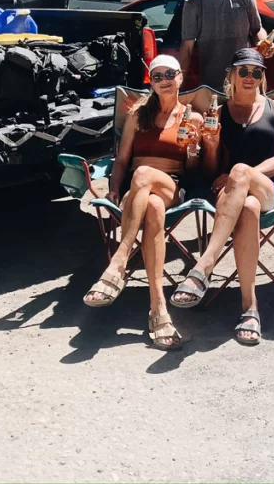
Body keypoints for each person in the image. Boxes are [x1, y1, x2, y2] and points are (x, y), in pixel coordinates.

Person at [169, 48, 274, 346]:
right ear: (232, 76)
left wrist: (245, 174)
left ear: (262, 78)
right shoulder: (219, 114)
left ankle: (204, 266)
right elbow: (212, 170)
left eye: (257, 72)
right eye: (244, 71)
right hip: (231, 198)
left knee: (241, 174)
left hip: (270, 189)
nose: (250, 77)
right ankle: (250, 308)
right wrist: (210, 146)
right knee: (247, 208)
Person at [82, 54, 203, 350]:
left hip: (171, 185)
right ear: (151, 82)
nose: (163, 81)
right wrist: (112, 188)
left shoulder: (193, 118)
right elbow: (122, 160)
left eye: (169, 74)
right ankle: (158, 309)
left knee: (147, 176)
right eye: (157, 76)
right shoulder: (138, 113)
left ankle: (119, 262)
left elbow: (195, 172)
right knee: (152, 205)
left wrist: (194, 151)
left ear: (180, 77)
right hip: (138, 192)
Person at [179, 0, 273, 91]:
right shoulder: (193, 3)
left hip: (245, 83)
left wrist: (264, 42)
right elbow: (187, 48)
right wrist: (179, 89)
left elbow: (257, 30)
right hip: (212, 87)